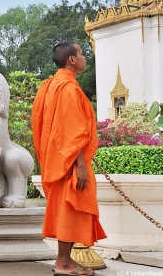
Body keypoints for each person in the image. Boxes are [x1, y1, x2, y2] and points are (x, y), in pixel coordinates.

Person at [31, 42, 107, 276]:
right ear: (72, 60)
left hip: (58, 159)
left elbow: (40, 125)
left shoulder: (49, 86)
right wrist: (80, 164)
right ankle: (63, 263)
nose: (85, 57)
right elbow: (72, 131)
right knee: (70, 209)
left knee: (67, 209)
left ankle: (65, 260)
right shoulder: (68, 89)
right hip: (71, 161)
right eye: (82, 53)